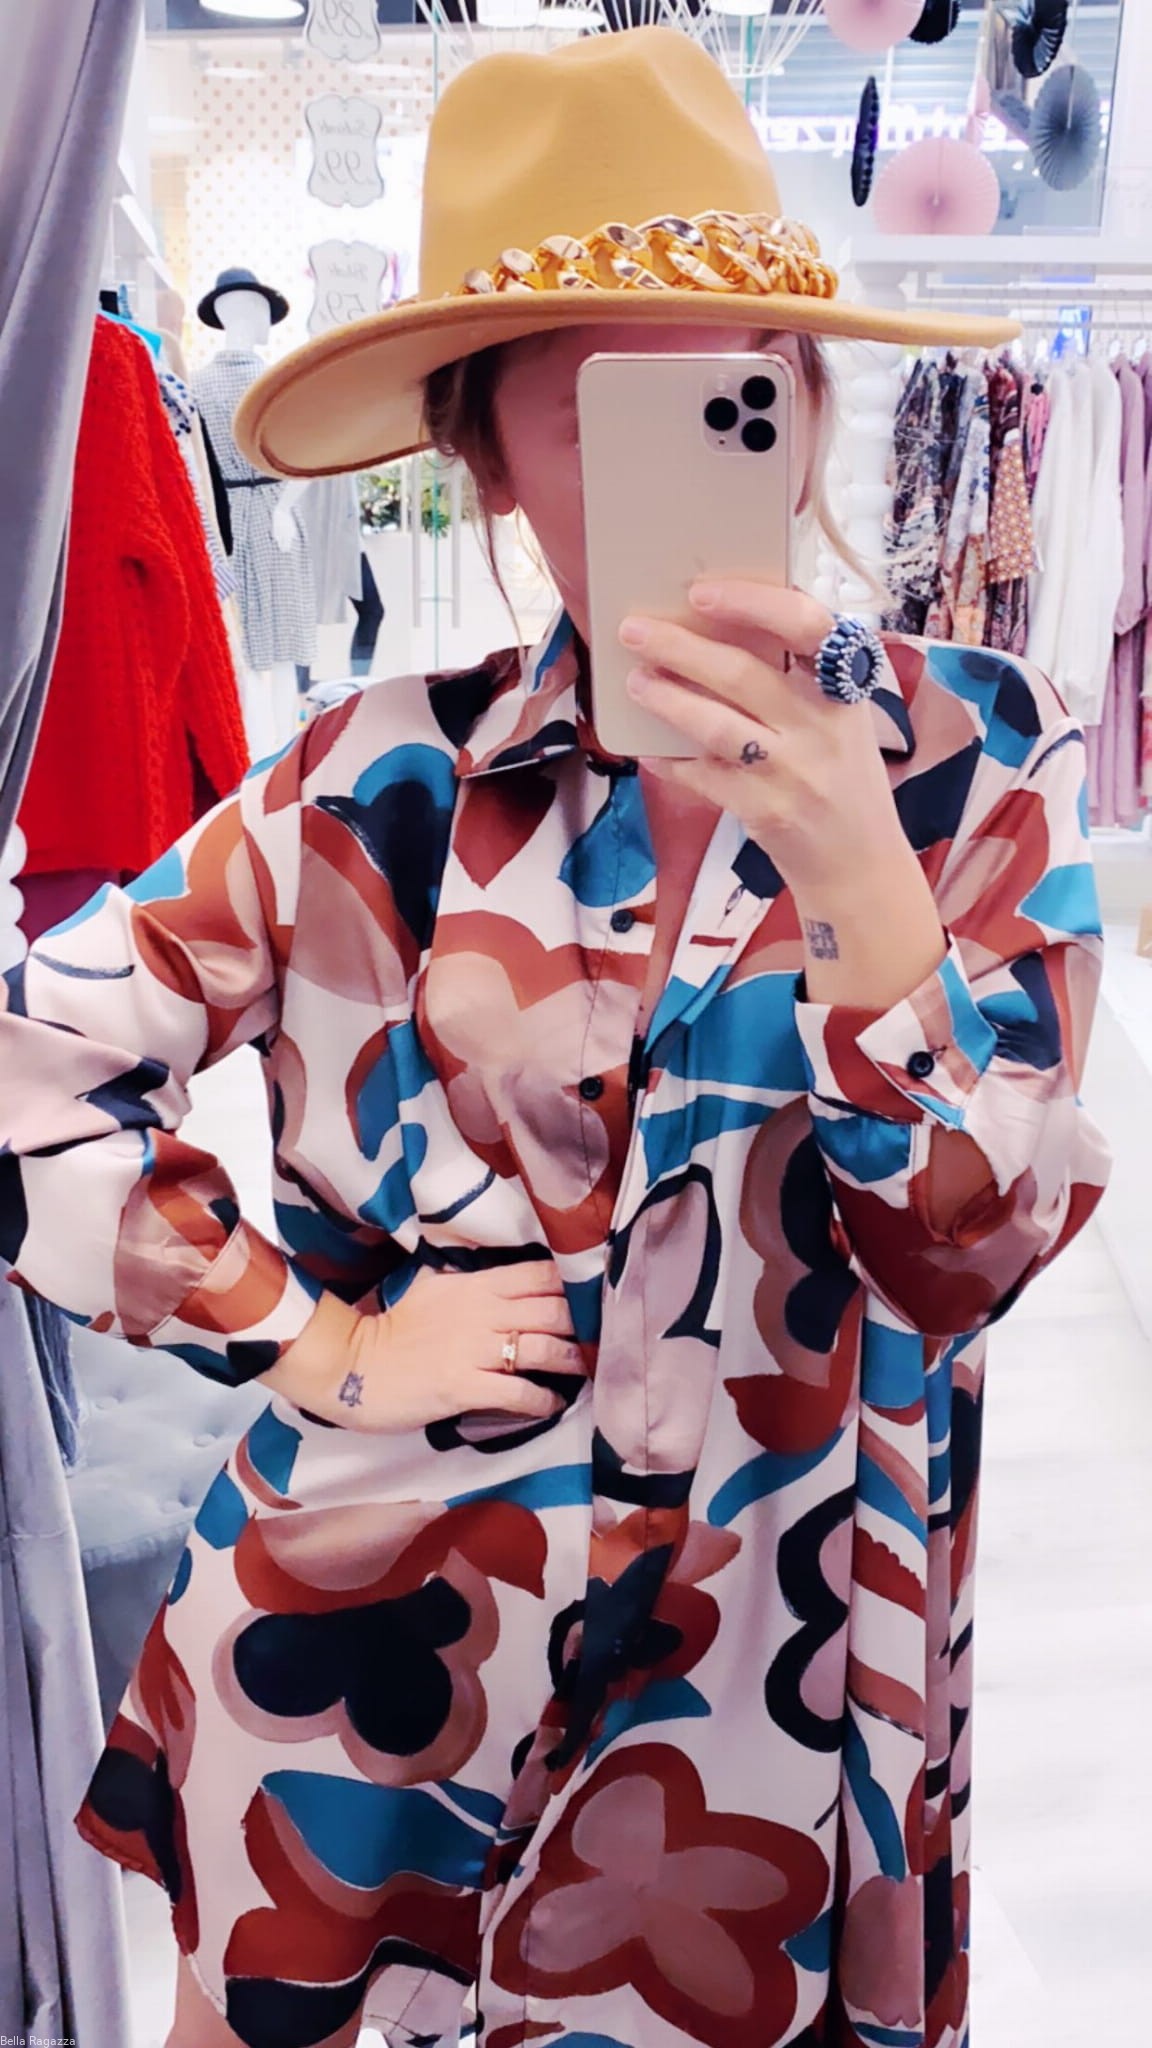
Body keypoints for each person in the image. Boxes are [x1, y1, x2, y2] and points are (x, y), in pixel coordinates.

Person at [0, 28, 1110, 2048]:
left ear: (804, 399)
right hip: (367, 1678)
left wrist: (859, 884)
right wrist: (308, 1335)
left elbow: (970, 1254)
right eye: (610, 399)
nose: (693, 459)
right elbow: (26, 1072)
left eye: (733, 386)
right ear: (486, 455)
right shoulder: (370, 787)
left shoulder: (978, 761)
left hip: (767, 1720)